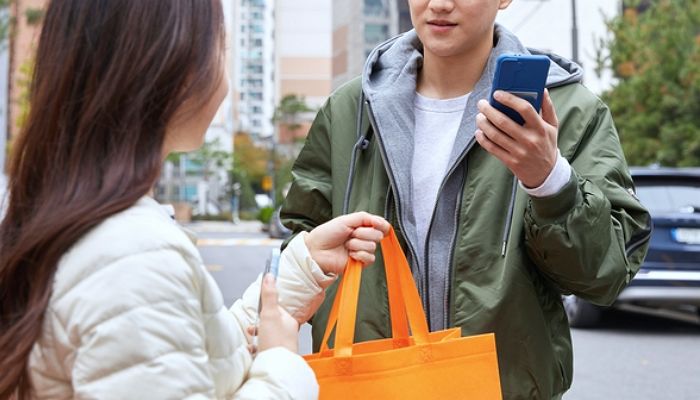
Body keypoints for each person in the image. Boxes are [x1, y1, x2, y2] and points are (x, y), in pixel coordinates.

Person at [0, 1, 390, 399]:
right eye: (220, 46)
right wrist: (282, 368)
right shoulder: (133, 258)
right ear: (176, 68)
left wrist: (302, 266)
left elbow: (189, 358)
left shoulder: (67, 218)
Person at [281, 0, 652, 398]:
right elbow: (300, 247)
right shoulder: (350, 110)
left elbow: (605, 275)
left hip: (500, 387)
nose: (439, 4)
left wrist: (550, 181)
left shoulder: (570, 111)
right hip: (370, 384)